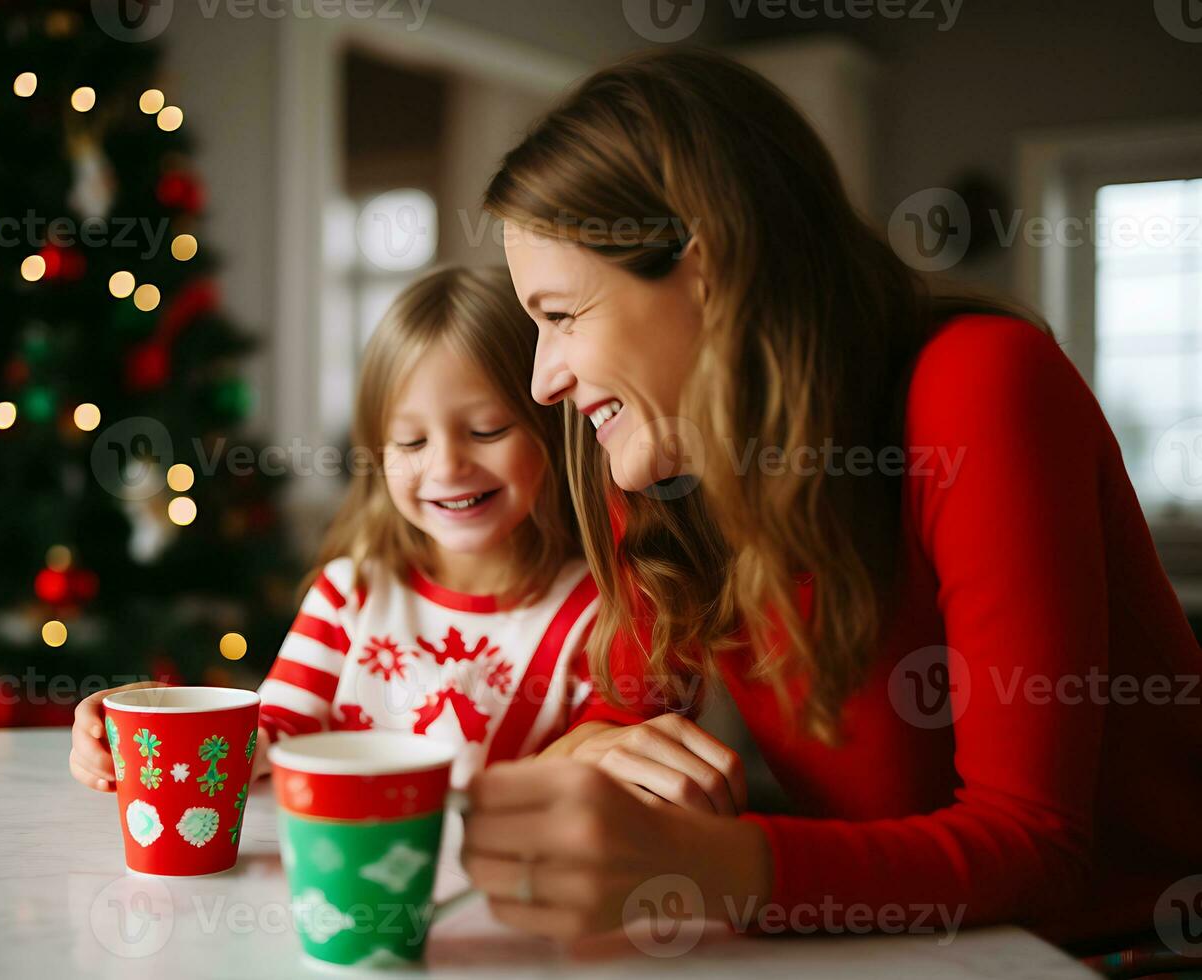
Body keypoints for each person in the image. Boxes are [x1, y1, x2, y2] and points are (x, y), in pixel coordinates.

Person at [459, 47, 1202, 950]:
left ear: (706, 270)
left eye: (563, 315)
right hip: (908, 949)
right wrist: (593, 754)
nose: (543, 380)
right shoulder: (661, 461)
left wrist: (707, 861)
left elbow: (1036, 846)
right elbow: (633, 711)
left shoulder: (980, 386)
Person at [69, 266, 608, 794]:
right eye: (412, 443)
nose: (446, 467)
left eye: (486, 429)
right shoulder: (349, 594)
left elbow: (594, 785)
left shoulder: (593, 613)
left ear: (553, 427)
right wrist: (148, 721)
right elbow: (263, 739)